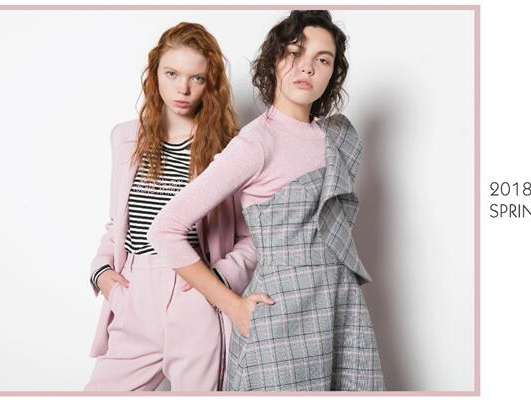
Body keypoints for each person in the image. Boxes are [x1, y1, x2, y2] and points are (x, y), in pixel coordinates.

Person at [148, 11, 385, 391]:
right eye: (294, 53)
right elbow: (164, 229)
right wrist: (232, 305)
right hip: (282, 321)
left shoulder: (335, 138)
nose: (307, 68)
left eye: (322, 60)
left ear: (332, 73)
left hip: (340, 308)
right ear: (274, 60)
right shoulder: (256, 142)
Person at [84, 22, 256, 391]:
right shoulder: (126, 138)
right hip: (135, 293)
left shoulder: (230, 147)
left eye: (197, 78)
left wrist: (218, 281)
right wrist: (101, 272)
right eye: (172, 74)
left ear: (210, 82)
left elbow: (252, 236)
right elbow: (119, 223)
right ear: (155, 74)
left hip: (195, 292)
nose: (183, 88)